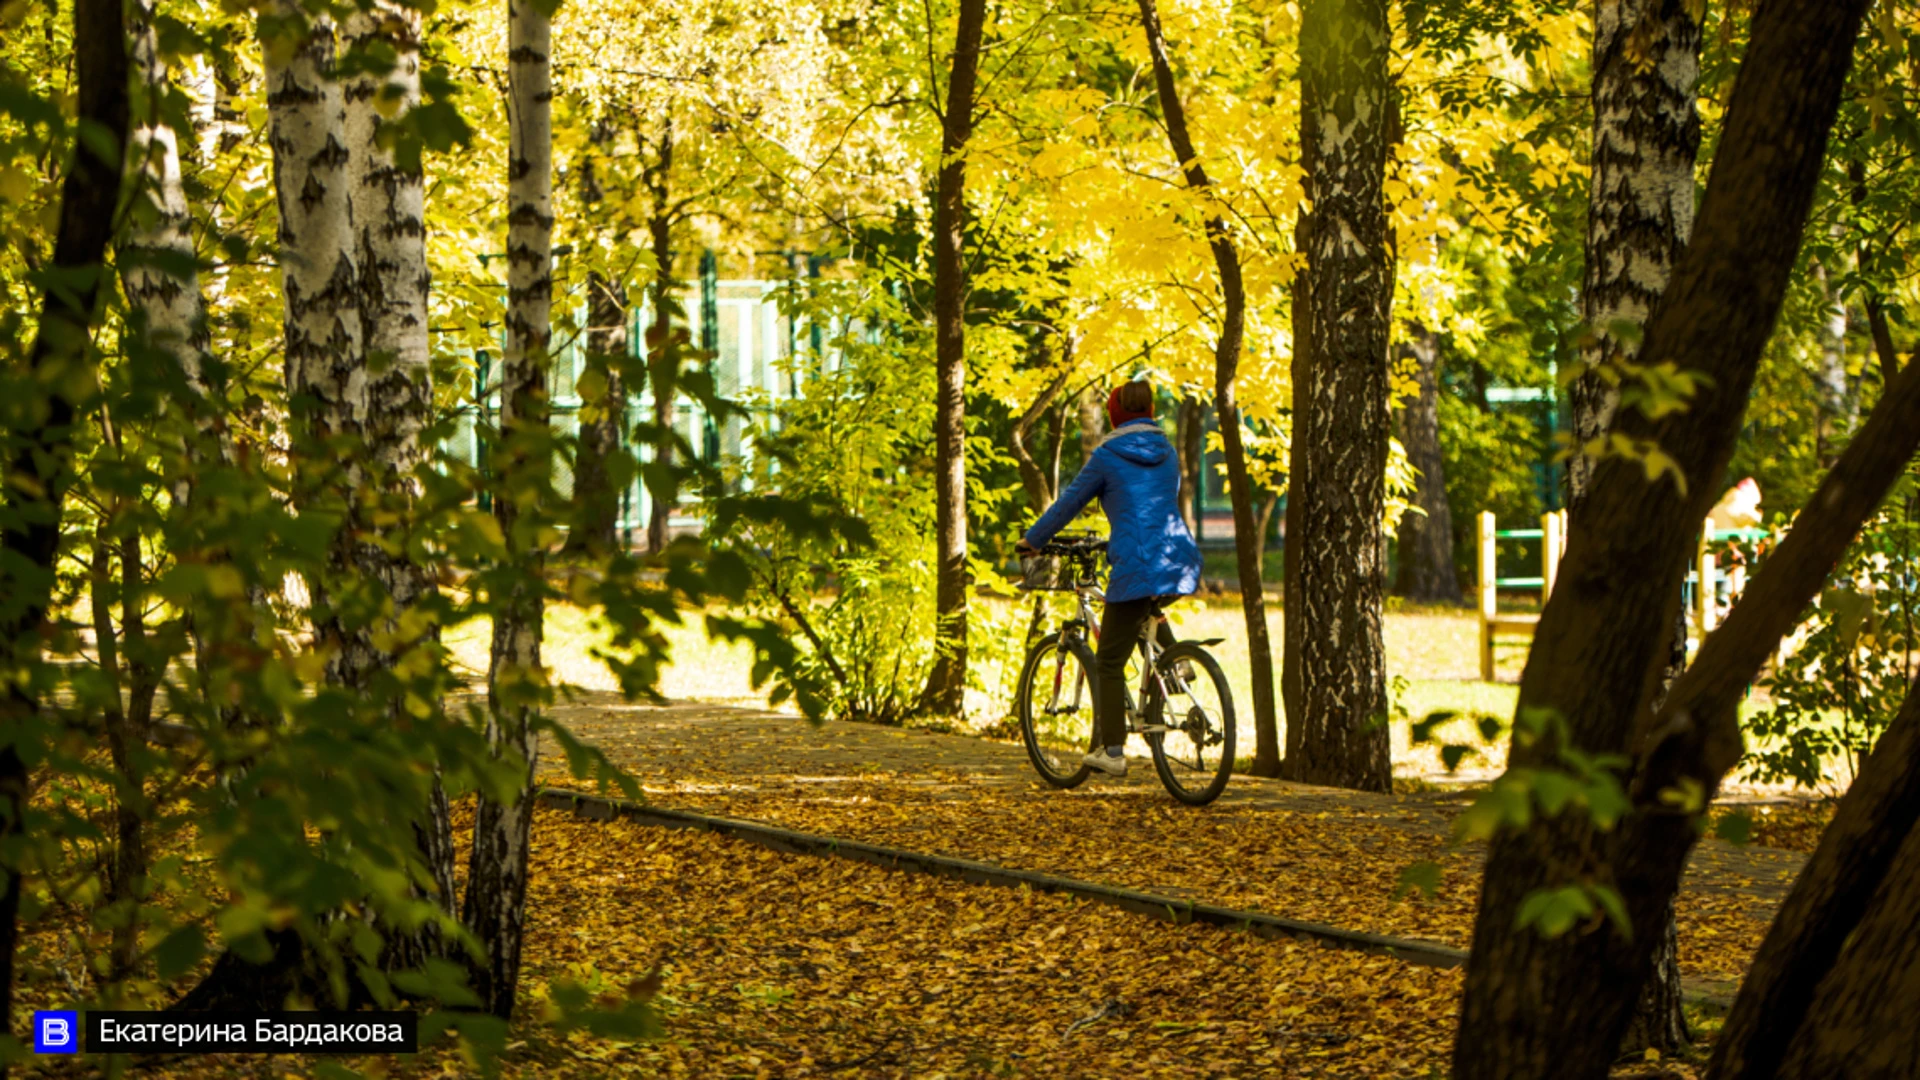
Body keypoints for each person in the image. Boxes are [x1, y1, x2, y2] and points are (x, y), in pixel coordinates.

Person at [1015, 380, 1202, 777]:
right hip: (1180, 558)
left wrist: (1034, 540)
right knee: (1142, 612)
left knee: (1109, 659)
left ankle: (1113, 751)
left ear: (1115, 414)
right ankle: (1174, 662)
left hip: (1137, 563)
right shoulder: (1167, 452)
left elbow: (1070, 503)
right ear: (1151, 410)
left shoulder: (1107, 456)